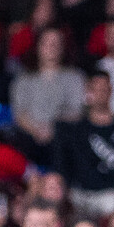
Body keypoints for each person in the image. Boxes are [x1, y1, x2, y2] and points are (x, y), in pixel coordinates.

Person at [52, 72, 114, 218]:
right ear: (88, 92)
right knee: (53, 185)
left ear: (111, 91)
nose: (100, 94)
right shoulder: (73, 130)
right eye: (96, 90)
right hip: (79, 195)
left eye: (104, 89)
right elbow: (60, 167)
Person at [10, 27, 85, 168]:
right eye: (47, 43)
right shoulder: (24, 79)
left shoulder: (75, 77)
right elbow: (20, 113)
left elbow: (77, 112)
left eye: (56, 43)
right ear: (38, 47)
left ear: (63, 47)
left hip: (63, 136)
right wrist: (36, 131)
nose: (52, 47)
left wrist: (52, 129)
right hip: (30, 136)